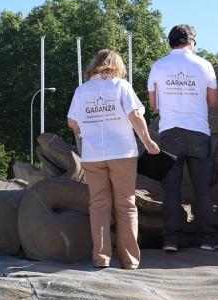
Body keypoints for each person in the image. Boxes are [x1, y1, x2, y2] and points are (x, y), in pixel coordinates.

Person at [67, 49, 159, 269]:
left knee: (98, 207)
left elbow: (72, 121)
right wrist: (147, 142)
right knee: (126, 206)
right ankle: (129, 260)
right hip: (122, 153)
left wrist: (86, 132)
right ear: (117, 64)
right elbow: (135, 116)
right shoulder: (120, 86)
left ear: (94, 64)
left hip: (93, 155)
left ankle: (102, 259)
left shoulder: (82, 90)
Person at [147, 24, 218, 252]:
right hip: (198, 131)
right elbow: (213, 101)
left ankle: (171, 240)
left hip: (170, 132)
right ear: (191, 41)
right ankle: (207, 240)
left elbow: (152, 104)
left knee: (171, 189)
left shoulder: (158, 66)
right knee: (203, 189)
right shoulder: (205, 65)